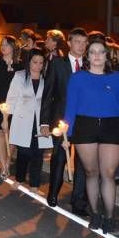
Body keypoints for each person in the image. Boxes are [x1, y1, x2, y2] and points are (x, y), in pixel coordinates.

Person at [63, 38, 119, 234]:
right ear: (87, 55)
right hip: (85, 126)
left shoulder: (117, 78)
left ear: (106, 55)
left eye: (100, 52)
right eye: (93, 52)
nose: (96, 55)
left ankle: (109, 218)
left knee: (109, 174)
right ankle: (95, 214)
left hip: (112, 127)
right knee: (91, 173)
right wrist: (67, 133)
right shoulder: (78, 78)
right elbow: (71, 107)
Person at [40, 27, 89, 213]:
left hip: (85, 121)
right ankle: (53, 192)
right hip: (62, 120)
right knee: (59, 158)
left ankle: (78, 202)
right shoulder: (57, 64)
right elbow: (48, 93)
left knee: (83, 163)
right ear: (69, 43)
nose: (81, 46)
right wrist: (44, 122)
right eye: (78, 42)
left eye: (85, 43)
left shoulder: (90, 64)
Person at [3, 49, 51, 192]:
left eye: (41, 63)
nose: (38, 66)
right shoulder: (20, 76)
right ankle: (19, 179)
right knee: (24, 152)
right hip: (23, 120)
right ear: (29, 62)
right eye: (35, 62)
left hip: (41, 121)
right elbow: (11, 98)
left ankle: (35, 184)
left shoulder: (47, 78)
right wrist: (5, 118)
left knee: (38, 153)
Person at [0, 35, 23, 179]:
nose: (3, 47)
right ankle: (3, 165)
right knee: (0, 133)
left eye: (6, 45)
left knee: (13, 136)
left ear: (13, 47)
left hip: (16, 105)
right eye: (2, 44)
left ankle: (7, 162)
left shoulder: (20, 66)